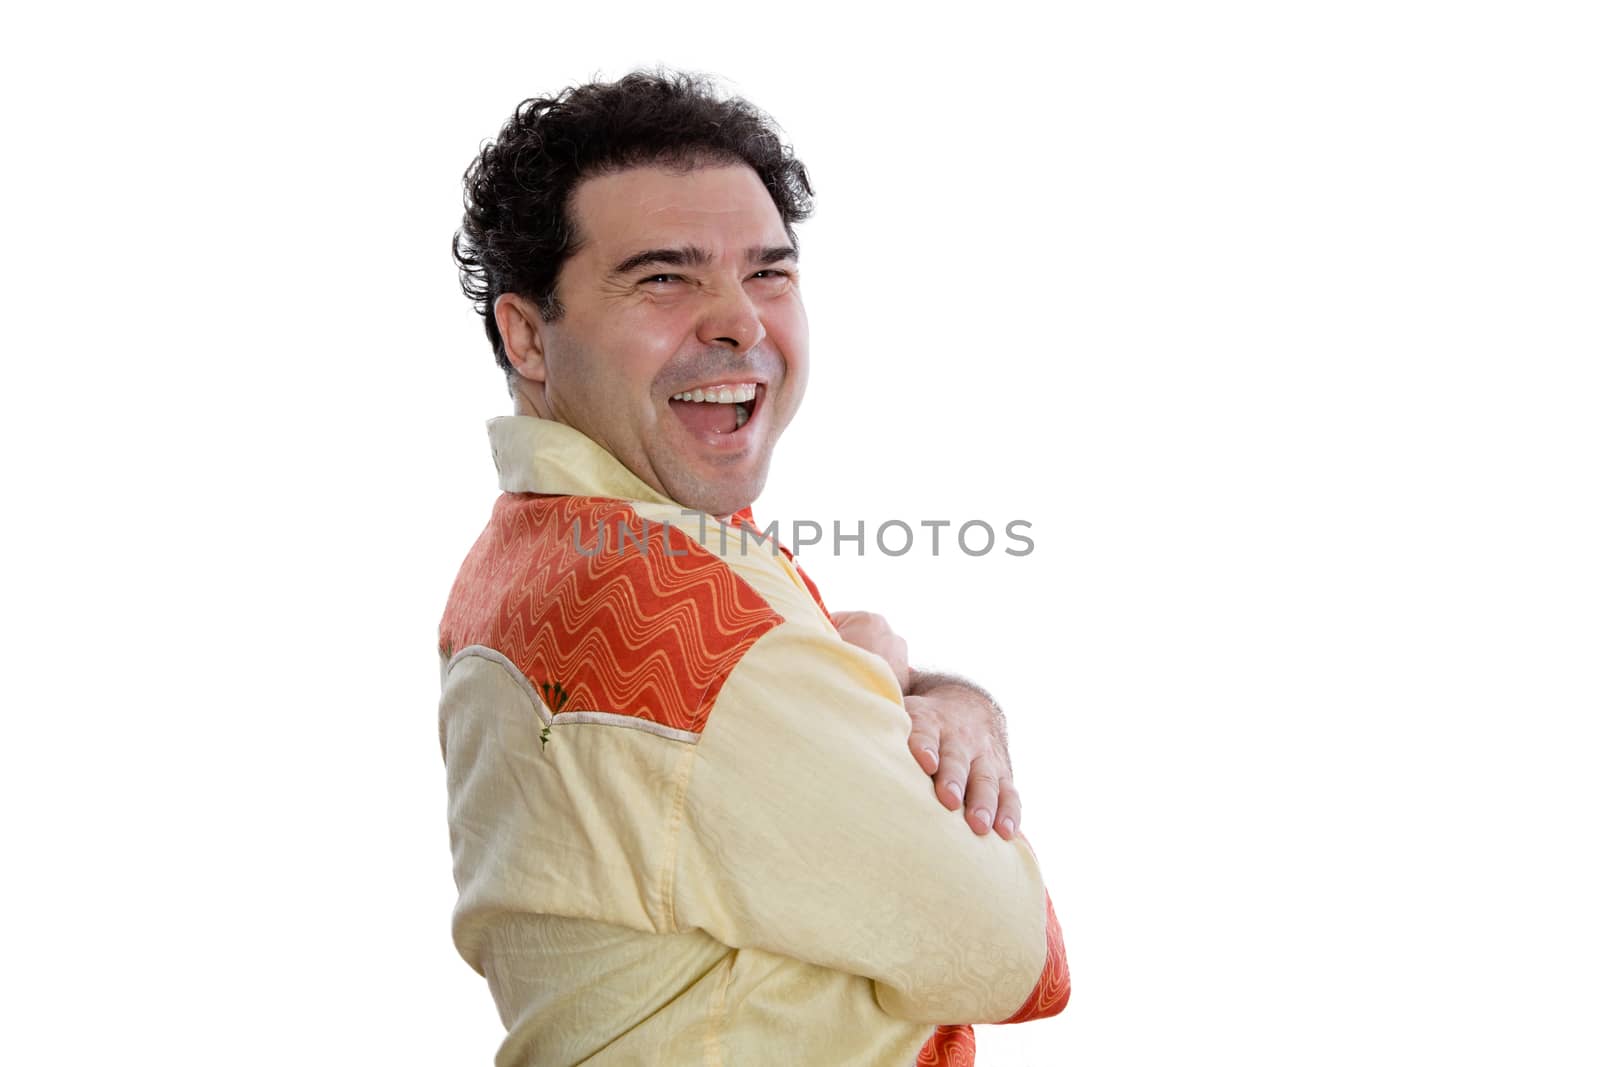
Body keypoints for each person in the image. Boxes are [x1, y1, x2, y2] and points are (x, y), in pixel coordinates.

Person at [437, 69, 1069, 1066]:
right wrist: (879, 680)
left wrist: (897, 683)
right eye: (664, 276)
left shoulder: (529, 550)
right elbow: (1011, 949)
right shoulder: (674, 609)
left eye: (768, 271)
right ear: (527, 334)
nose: (741, 321)